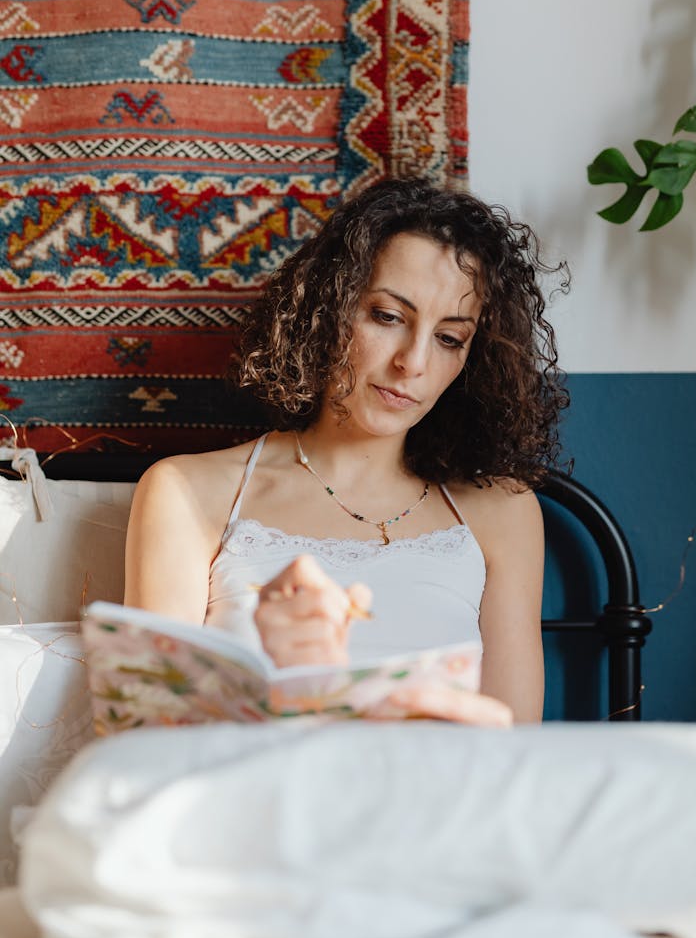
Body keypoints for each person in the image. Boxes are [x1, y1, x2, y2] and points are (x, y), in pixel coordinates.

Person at [124, 177, 568, 726]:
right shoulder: (189, 492)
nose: (414, 363)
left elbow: (514, 747)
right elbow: (149, 735)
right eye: (387, 316)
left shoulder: (502, 510)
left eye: (449, 338)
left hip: (440, 802)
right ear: (329, 308)